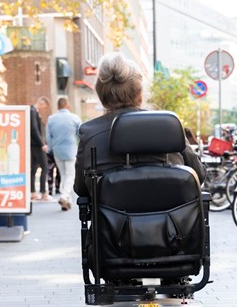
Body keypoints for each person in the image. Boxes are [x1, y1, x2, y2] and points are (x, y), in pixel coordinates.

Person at [74, 52, 205, 198]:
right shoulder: (168, 126)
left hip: (113, 220)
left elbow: (81, 189)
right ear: (140, 95)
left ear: (101, 95)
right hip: (173, 219)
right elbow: (199, 174)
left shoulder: (89, 133)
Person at [46, 97, 82, 210]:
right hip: (71, 150)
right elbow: (81, 134)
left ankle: (67, 202)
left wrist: (51, 148)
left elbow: (48, 137)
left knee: (64, 175)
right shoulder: (75, 118)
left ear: (58, 107)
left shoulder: (51, 119)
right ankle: (64, 195)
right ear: (68, 106)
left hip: (57, 151)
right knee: (71, 175)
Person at [30, 97, 51, 201]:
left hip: (34, 145)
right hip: (37, 145)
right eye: (44, 107)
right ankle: (43, 193)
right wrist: (42, 144)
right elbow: (34, 129)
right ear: (41, 103)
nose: (44, 109)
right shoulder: (33, 111)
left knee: (33, 169)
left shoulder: (33, 111)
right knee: (45, 167)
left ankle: (33, 193)